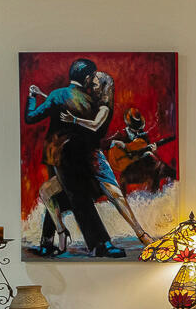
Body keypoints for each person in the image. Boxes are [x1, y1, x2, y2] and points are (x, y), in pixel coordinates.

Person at [24, 58, 122, 258]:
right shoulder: (91, 101)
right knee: (80, 198)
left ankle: (47, 243)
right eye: (92, 77)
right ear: (87, 78)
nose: (93, 81)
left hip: (55, 156)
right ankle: (100, 244)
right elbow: (96, 132)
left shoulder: (57, 95)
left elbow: (31, 117)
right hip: (76, 157)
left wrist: (32, 96)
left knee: (62, 197)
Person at [57, 70, 154, 246]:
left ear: (102, 87)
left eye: (94, 84)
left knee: (116, 196)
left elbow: (95, 126)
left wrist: (74, 120)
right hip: (79, 156)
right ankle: (60, 230)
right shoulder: (91, 102)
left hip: (94, 158)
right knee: (52, 191)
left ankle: (141, 234)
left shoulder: (104, 107)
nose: (90, 86)